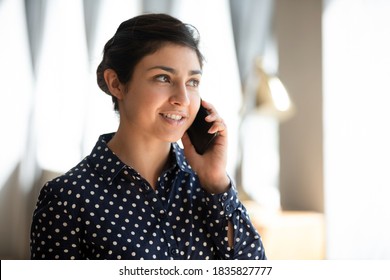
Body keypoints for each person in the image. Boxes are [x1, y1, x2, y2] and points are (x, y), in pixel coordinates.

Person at [30, 13, 266, 260]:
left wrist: (217, 182)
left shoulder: (208, 186)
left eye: (193, 82)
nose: (183, 99)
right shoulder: (67, 199)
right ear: (116, 84)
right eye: (163, 78)